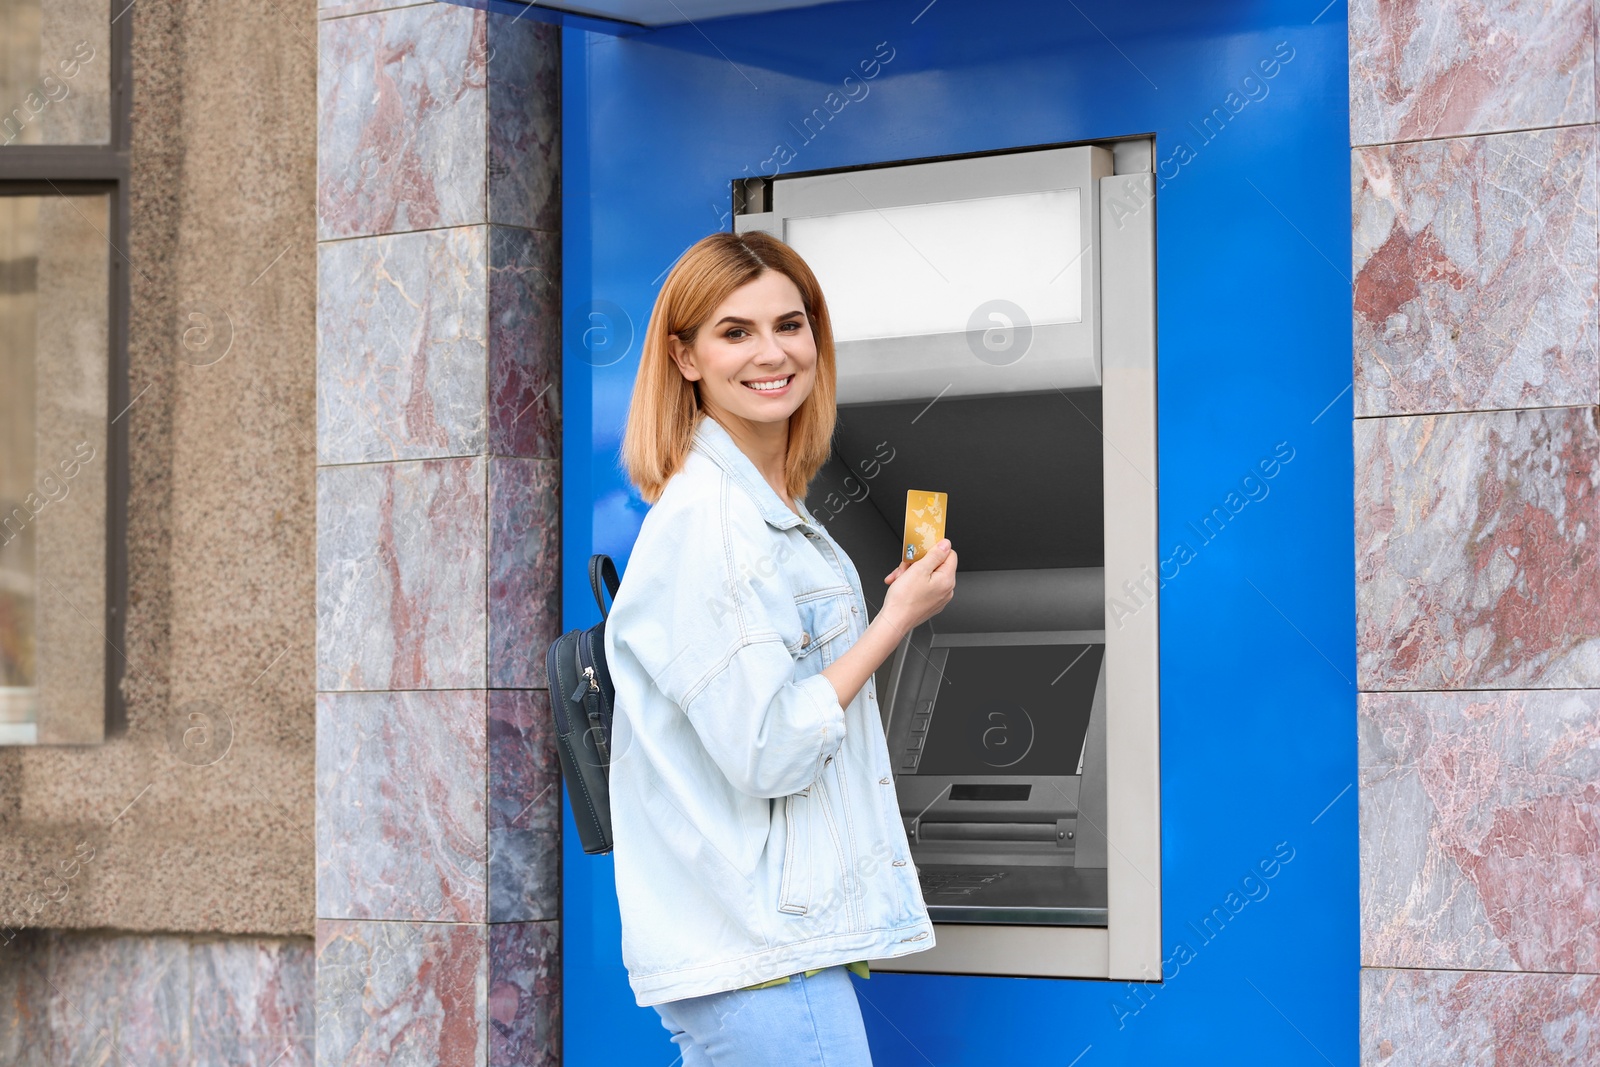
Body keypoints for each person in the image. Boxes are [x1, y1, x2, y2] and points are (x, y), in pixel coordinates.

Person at [602, 230, 959, 1065]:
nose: (773, 353)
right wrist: (894, 620)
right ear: (684, 357)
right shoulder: (712, 523)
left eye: (790, 325)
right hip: (757, 952)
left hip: (753, 950)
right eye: (736, 332)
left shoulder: (757, 504)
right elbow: (765, 748)